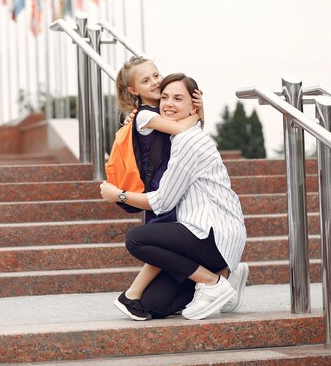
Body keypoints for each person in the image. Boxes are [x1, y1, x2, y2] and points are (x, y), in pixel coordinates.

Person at [101, 73, 248, 320]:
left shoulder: (188, 142)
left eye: (178, 98)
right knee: (154, 306)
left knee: (136, 239)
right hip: (200, 235)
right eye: (165, 97)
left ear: (193, 105)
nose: (168, 104)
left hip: (212, 233)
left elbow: (161, 202)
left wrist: (119, 195)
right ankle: (226, 276)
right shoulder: (179, 136)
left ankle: (212, 281)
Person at [111, 57, 203, 321]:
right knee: (160, 247)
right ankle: (132, 294)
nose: (154, 81)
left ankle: (145, 293)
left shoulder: (156, 111)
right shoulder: (145, 115)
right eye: (145, 80)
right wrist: (197, 112)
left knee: (168, 250)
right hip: (160, 193)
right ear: (133, 91)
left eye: (155, 75)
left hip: (172, 189)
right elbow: (180, 129)